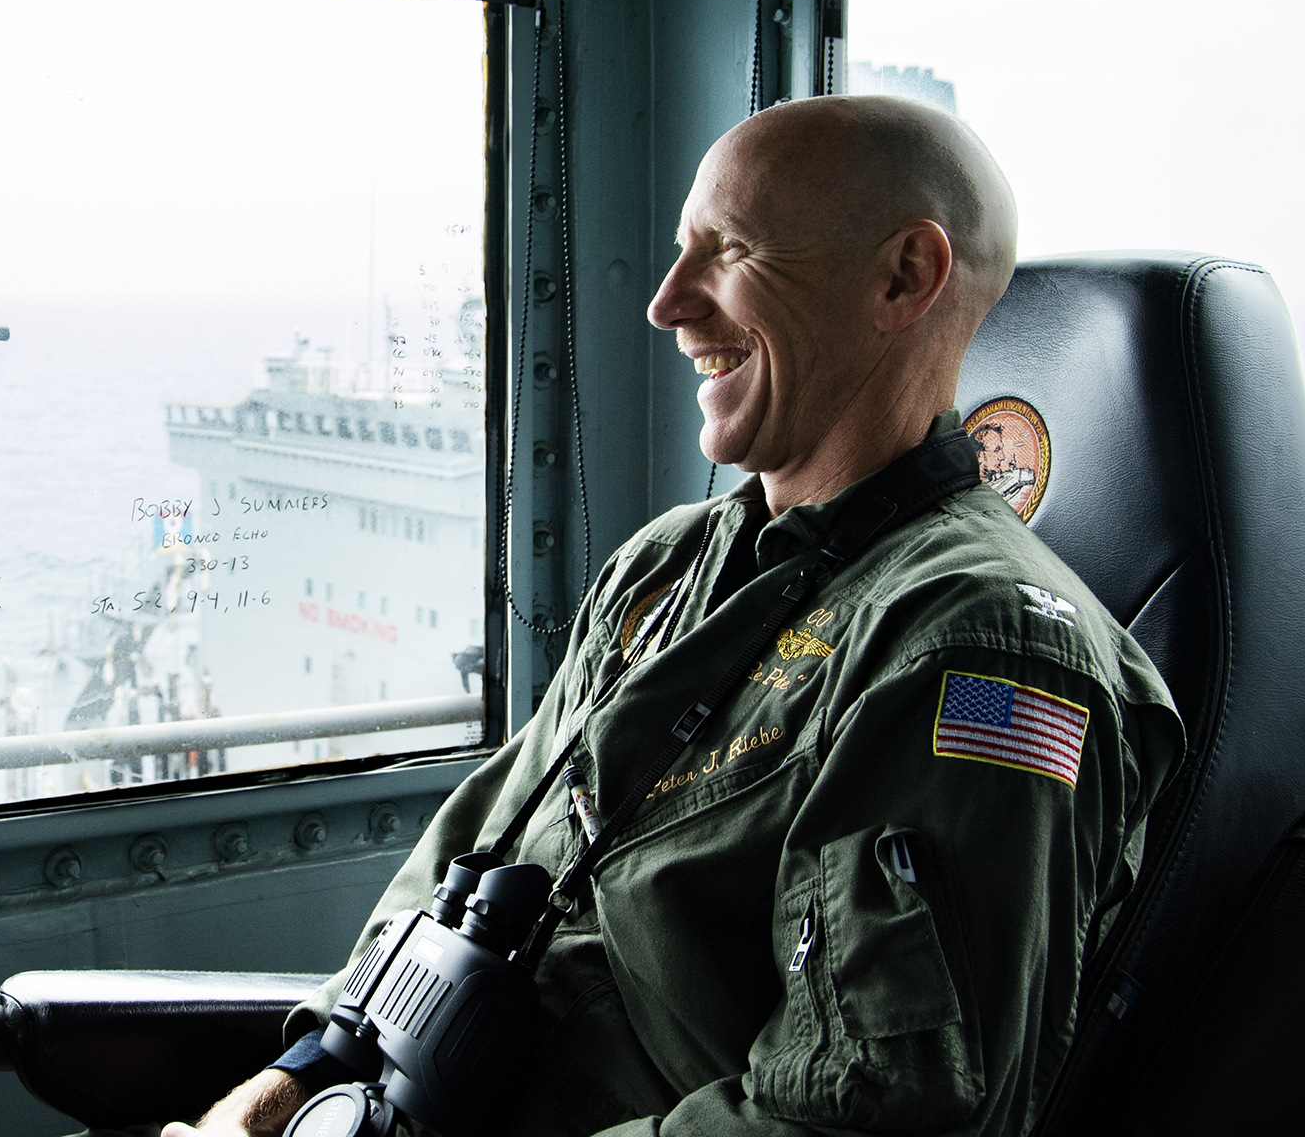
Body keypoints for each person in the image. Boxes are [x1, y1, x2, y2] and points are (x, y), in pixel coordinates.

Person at [162, 96, 1184, 1137]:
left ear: (902, 277)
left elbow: (862, 1116)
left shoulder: (979, 649)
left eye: (730, 250)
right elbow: (481, 838)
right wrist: (293, 1081)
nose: (667, 303)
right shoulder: (665, 567)